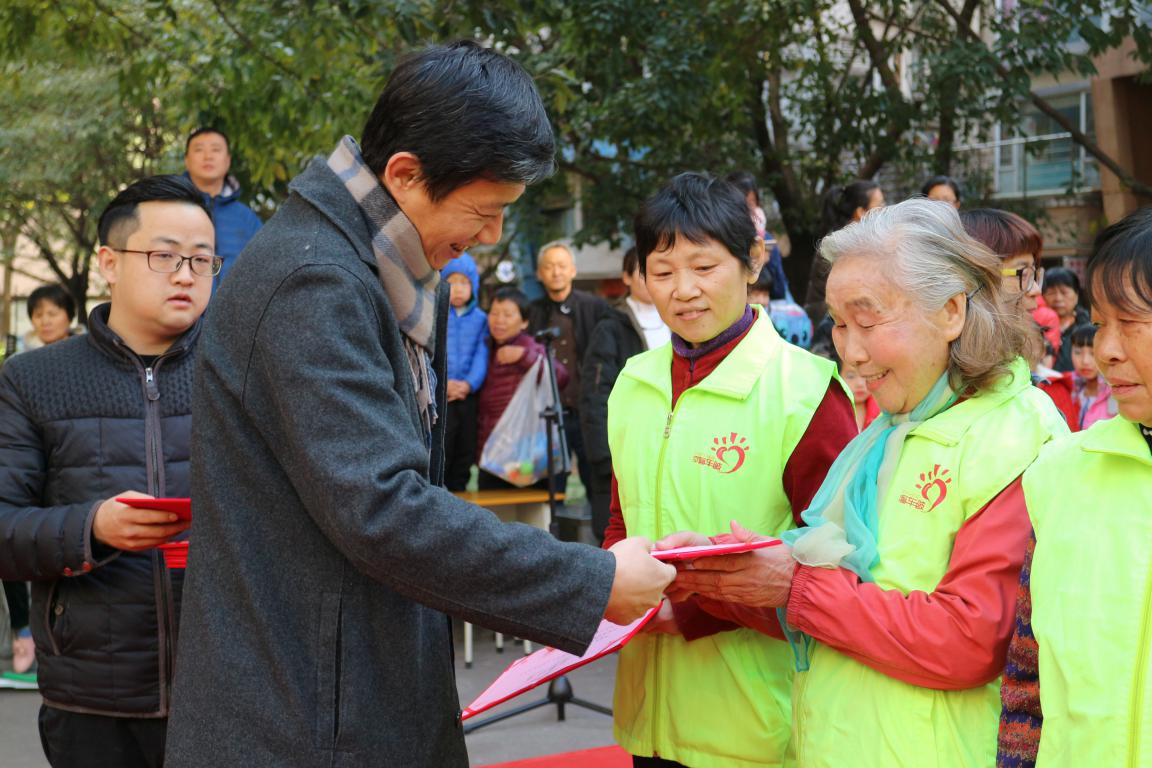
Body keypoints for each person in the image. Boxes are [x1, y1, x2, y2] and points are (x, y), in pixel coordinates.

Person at [164, 41, 673, 768]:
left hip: (350, 685)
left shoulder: (385, 270)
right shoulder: (313, 284)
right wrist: (592, 581)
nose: (491, 237)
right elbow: (384, 508)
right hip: (306, 716)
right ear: (405, 175)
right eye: (486, 210)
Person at [666, 198, 1068, 768]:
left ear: (952, 311)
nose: (850, 354)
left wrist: (793, 586)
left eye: (869, 320)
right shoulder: (889, 428)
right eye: (838, 324)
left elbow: (969, 640)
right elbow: (833, 596)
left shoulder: (1015, 432)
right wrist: (721, 575)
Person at [604, 172, 858, 768]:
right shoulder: (633, 384)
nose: (684, 290)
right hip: (650, 719)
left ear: (754, 261)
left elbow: (837, 566)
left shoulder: (806, 392)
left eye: (704, 267)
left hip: (761, 727)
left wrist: (688, 611)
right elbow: (620, 520)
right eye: (662, 273)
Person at [0, 175, 212, 766]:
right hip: (89, 698)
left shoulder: (240, 371)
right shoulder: (33, 379)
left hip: (224, 690)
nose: (185, 274)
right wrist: (92, 527)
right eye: (165, 255)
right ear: (110, 263)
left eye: (202, 259)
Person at [997, 207, 1152, 767]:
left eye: (1131, 322)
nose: (1106, 348)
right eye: (1098, 321)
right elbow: (1026, 680)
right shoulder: (1060, 472)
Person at [5, 283, 79, 680]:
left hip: (67, 471)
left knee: (60, 553)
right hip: (28, 469)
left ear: (68, 315)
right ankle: (22, 634)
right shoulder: (19, 365)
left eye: (53, 312)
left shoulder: (86, 360)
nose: (45, 320)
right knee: (14, 547)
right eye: (38, 314)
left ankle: (58, 640)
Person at [580, 247, 670, 543]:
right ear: (627, 277)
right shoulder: (610, 326)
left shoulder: (680, 321)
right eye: (643, 273)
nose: (651, 280)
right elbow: (595, 394)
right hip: (623, 448)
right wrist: (604, 457)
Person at [528, 240, 611, 502]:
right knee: (550, 491)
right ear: (539, 273)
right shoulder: (532, 312)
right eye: (549, 267)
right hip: (548, 415)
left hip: (587, 412)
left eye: (562, 266)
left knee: (598, 483)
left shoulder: (595, 307)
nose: (556, 272)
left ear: (573, 270)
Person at [477, 286, 568, 489]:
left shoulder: (529, 345)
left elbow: (560, 377)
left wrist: (524, 356)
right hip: (492, 453)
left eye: (507, 315)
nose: (499, 320)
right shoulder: (484, 347)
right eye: (494, 313)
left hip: (524, 454)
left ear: (524, 322)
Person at [183, 127, 263, 285]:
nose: (208, 156)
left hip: (237, 308)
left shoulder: (247, 218)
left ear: (227, 161)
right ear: (187, 160)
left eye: (216, 149)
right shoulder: (170, 210)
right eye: (199, 150)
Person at [804, 179, 884, 326]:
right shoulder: (842, 246)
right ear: (861, 212)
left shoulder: (864, 241)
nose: (885, 209)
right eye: (880, 205)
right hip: (826, 322)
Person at [441, 251, 488, 491]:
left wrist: (469, 384)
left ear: (473, 286)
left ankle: (459, 490)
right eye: (452, 282)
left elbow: (482, 355)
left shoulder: (481, 319)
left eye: (464, 283)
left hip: (468, 396)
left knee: (465, 447)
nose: (458, 289)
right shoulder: (435, 316)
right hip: (443, 394)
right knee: (442, 446)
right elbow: (431, 353)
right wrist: (444, 382)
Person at [725, 170, 791, 301]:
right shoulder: (720, 239)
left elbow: (780, 290)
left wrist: (766, 263)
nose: (748, 211)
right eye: (742, 205)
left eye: (751, 204)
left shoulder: (766, 240)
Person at [1067, 324, 1117, 430]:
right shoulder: (1064, 386)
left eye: (1093, 353)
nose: (1085, 361)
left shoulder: (1117, 391)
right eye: (1078, 352)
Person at [1042, 267, 1091, 372]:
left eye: (1064, 293)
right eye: (1051, 293)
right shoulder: (1036, 327)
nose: (1058, 298)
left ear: (1076, 295)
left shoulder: (1089, 327)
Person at [19, 283, 77, 352]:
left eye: (53, 314)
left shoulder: (87, 354)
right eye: (38, 315)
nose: (45, 322)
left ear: (70, 316)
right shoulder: (20, 360)